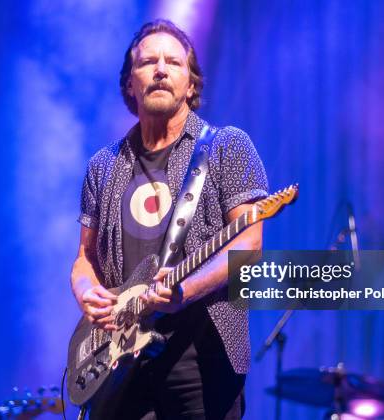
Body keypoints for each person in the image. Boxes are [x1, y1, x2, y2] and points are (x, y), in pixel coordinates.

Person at [71, 19, 268, 419]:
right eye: (148, 62)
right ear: (130, 84)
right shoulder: (103, 165)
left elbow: (248, 244)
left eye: (173, 62)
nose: (160, 69)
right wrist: (85, 289)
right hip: (116, 363)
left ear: (191, 84)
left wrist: (187, 290)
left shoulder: (226, 147)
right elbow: (84, 257)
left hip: (200, 362)